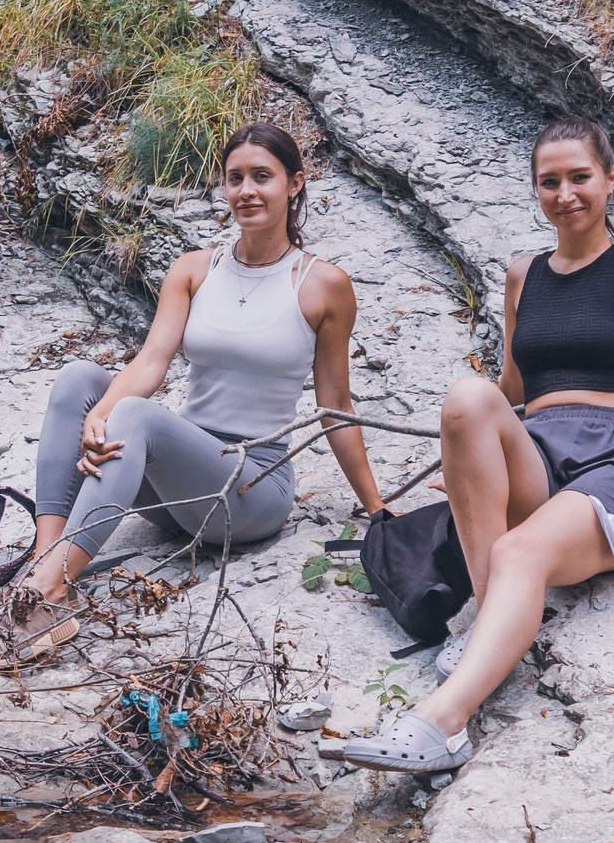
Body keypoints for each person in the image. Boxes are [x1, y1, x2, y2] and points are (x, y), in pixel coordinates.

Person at [341, 118, 614, 773]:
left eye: (579, 177)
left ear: (610, 180)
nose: (565, 193)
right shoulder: (522, 276)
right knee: (465, 395)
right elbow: (512, 387)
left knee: (520, 548)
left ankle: (441, 723)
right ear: (536, 190)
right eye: (550, 181)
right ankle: (495, 622)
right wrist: (468, 466)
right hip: (541, 450)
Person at [19, 123, 385, 645]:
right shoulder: (194, 269)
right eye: (235, 178)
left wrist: (378, 509)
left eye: (263, 176)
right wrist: (100, 414)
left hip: (250, 485)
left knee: (135, 415)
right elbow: (151, 363)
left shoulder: (322, 284)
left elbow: (335, 406)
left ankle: (52, 590)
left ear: (295, 183)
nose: (246, 191)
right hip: (177, 486)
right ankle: (44, 567)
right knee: (81, 379)